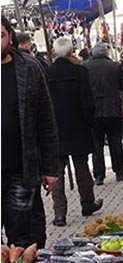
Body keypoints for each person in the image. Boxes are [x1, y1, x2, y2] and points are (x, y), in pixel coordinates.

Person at [1, 16, 58, 248]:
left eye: (0, 35)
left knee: (24, 239)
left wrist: (51, 168)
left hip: (20, 170)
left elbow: (46, 121)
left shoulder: (29, 68)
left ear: (10, 36)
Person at [47, 37, 103, 226]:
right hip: (78, 126)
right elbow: (88, 102)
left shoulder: (47, 73)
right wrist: (91, 123)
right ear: (71, 52)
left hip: (55, 130)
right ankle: (87, 203)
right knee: (82, 167)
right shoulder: (79, 72)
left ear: (54, 53)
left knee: (57, 172)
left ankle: (59, 213)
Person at [83, 43, 123, 185]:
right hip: (113, 110)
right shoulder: (115, 66)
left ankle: (99, 175)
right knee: (115, 142)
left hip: (94, 111)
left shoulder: (85, 67)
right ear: (106, 53)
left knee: (96, 145)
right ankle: (120, 172)